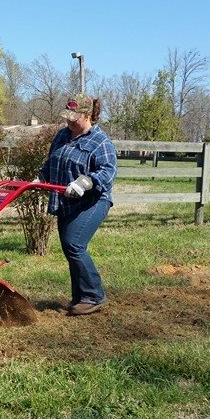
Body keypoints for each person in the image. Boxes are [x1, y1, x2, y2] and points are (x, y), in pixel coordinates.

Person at [38, 93, 117, 316]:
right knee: (70, 247)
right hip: (66, 200)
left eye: (74, 118)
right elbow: (51, 163)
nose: (69, 122)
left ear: (87, 115)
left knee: (74, 244)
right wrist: (39, 179)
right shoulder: (63, 135)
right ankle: (80, 296)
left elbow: (107, 172)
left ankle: (94, 295)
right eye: (67, 117)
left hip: (92, 201)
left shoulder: (101, 142)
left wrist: (86, 182)